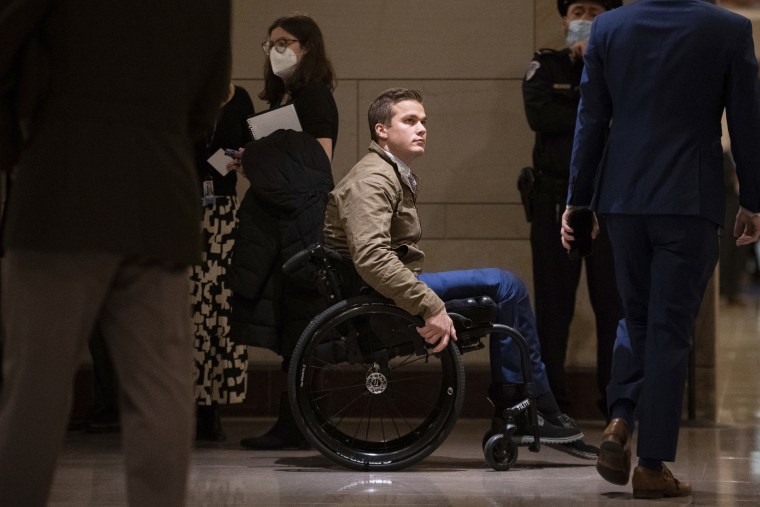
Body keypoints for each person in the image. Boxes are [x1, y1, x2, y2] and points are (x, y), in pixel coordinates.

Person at [0, 1, 231, 505]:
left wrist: (18, 151)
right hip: (160, 192)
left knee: (33, 390)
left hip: (63, 183)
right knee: (160, 394)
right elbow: (208, 96)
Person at [323, 87, 598, 460]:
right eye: (410, 120)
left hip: (385, 289)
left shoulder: (388, 173)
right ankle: (530, 407)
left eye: (424, 121)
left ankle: (524, 405)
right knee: (505, 285)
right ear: (381, 130)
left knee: (507, 287)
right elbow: (372, 258)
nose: (422, 128)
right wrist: (430, 306)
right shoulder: (372, 180)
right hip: (377, 297)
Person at [562, 0, 760, 499]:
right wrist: (753, 201)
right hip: (689, 199)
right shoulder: (729, 29)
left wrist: (577, 200)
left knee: (637, 316)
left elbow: (591, 120)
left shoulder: (609, 27)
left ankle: (621, 418)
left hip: (622, 198)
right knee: (670, 328)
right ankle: (650, 465)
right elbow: (746, 124)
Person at [227, 13, 338, 451]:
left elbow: (315, 168)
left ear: (307, 47)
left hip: (300, 224)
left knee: (301, 324)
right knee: (290, 326)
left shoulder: (314, 99)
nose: (276, 49)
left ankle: (301, 424)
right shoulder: (287, 99)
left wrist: (256, 160)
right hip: (280, 223)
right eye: (270, 42)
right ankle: (295, 422)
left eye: (285, 41)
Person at [522, 0, 623, 418]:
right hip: (553, 199)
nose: (584, 20)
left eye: (596, 12)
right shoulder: (544, 65)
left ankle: (615, 403)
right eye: (578, 10)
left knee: (613, 306)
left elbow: (622, 121)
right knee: (553, 305)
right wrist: (592, 102)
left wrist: (594, 70)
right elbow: (539, 114)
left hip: (609, 201)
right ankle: (551, 404)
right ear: (564, 18)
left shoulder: (621, 68)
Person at [191, 83, 255, 442]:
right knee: (189, 312)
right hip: (181, 211)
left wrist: (236, 159)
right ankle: (184, 407)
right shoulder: (179, 94)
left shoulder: (239, 98)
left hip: (223, 213)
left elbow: (252, 148)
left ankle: (211, 409)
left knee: (220, 308)